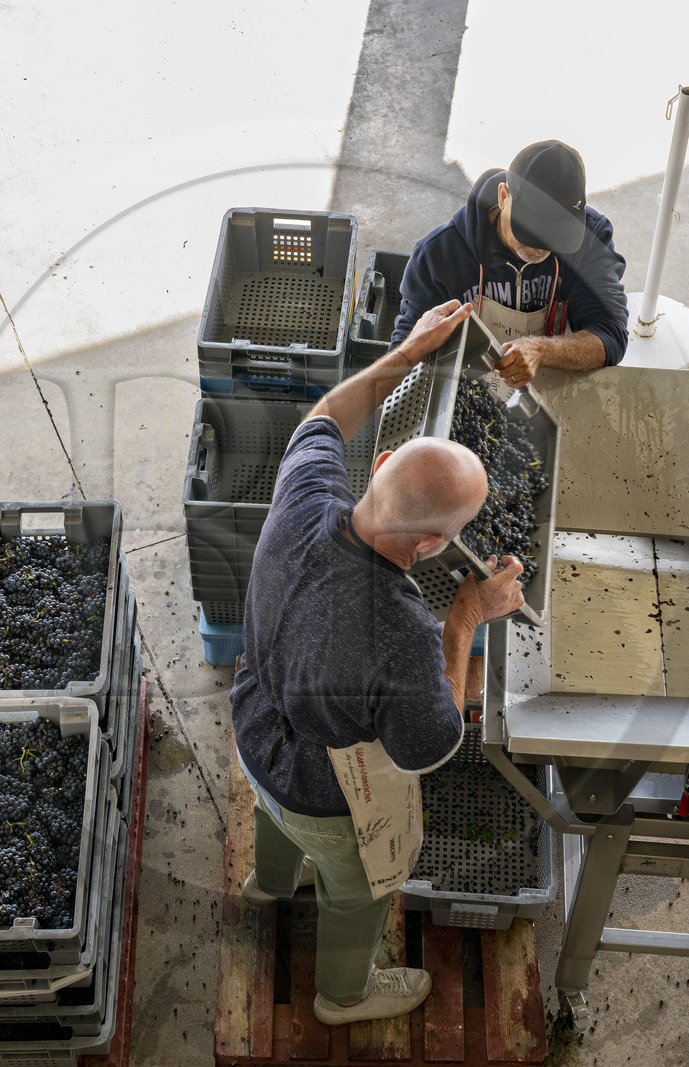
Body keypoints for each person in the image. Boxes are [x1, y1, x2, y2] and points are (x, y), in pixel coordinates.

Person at [229, 298, 526, 1026]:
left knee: (272, 813)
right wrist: (465, 617)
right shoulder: (405, 631)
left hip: (251, 722)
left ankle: (268, 884)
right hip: (318, 790)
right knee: (355, 889)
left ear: (384, 463)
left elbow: (326, 414)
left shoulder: (305, 492)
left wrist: (410, 353)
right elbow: (430, 744)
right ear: (431, 547)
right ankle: (344, 994)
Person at [390, 139, 628, 386]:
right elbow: (406, 347)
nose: (541, 247)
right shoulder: (438, 254)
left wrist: (543, 351)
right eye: (532, 230)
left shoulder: (591, 240)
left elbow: (611, 334)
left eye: (557, 236)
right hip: (467, 387)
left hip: (554, 379)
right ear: (503, 196)